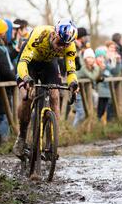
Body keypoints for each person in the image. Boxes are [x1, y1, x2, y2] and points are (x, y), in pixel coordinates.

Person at [12, 18, 79, 161]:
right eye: (60, 43)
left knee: (55, 95)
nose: (62, 47)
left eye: (66, 45)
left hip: (49, 63)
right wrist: (26, 78)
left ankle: (52, 143)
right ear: (54, 34)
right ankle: (22, 136)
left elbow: (71, 69)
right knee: (27, 96)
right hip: (30, 62)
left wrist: (73, 83)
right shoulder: (39, 35)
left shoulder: (69, 45)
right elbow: (23, 63)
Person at [73, 48, 101, 127]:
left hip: (85, 92)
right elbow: (92, 77)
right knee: (81, 113)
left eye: (92, 58)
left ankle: (83, 129)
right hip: (77, 91)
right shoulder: (84, 67)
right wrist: (97, 67)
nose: (90, 59)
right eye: (88, 57)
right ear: (85, 59)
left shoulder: (91, 68)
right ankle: (74, 130)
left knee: (86, 112)